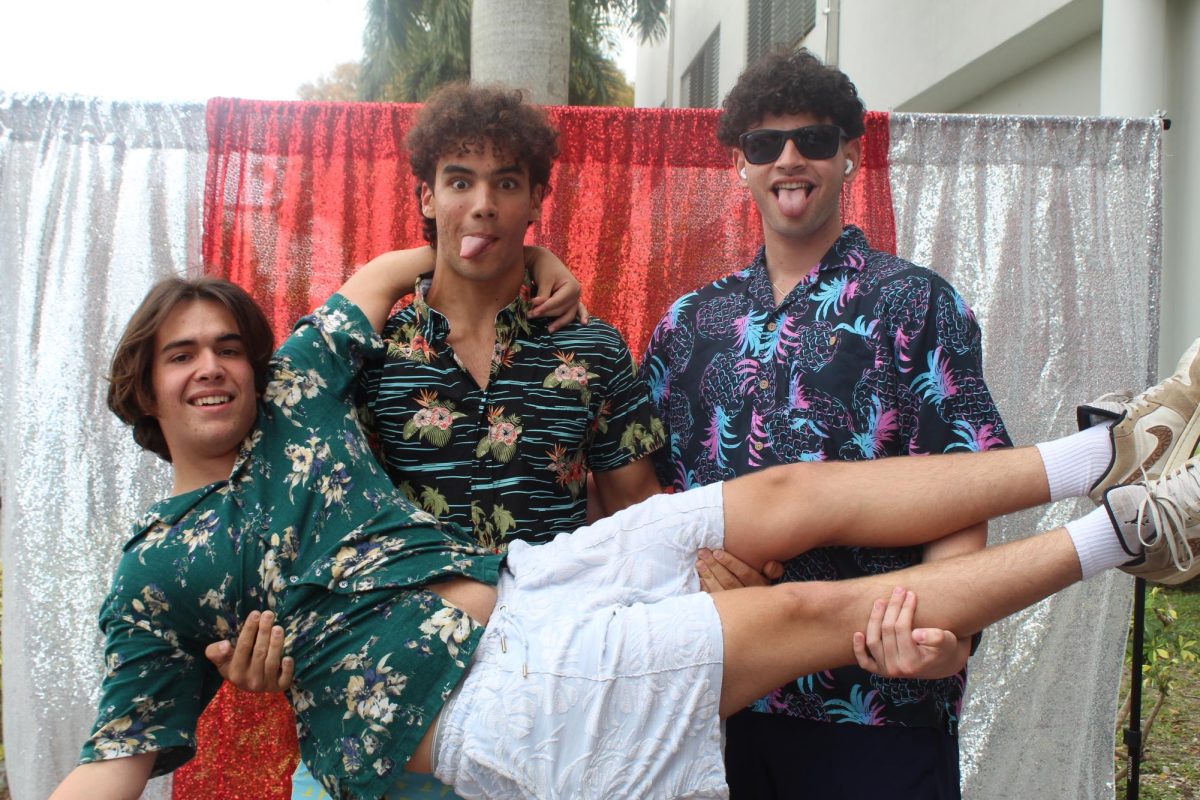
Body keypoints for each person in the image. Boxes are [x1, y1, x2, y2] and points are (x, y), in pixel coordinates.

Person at [49, 265, 1200, 799]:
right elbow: (113, 765)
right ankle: (1136, 530)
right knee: (806, 612)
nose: (211, 367)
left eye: (224, 345)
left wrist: (524, 265)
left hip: (529, 580)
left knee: (792, 489)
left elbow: (403, 258)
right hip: (487, 706)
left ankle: (1113, 448)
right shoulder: (159, 565)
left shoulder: (304, 386)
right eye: (178, 354)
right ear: (141, 388)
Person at [269, 82, 668, 800]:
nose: (482, 203)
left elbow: (636, 514)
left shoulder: (594, 349)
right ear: (427, 197)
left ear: (534, 200)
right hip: (383, 710)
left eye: (505, 182)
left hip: (543, 708)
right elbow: (291, 436)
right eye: (460, 181)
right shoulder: (370, 353)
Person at [639, 48, 1007, 796]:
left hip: (876, 705)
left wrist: (950, 638)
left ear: (849, 153)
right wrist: (697, 566)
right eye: (764, 145)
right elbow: (653, 499)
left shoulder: (918, 305)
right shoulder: (688, 325)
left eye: (811, 138)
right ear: (740, 165)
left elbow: (966, 481)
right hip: (718, 699)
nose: (788, 159)